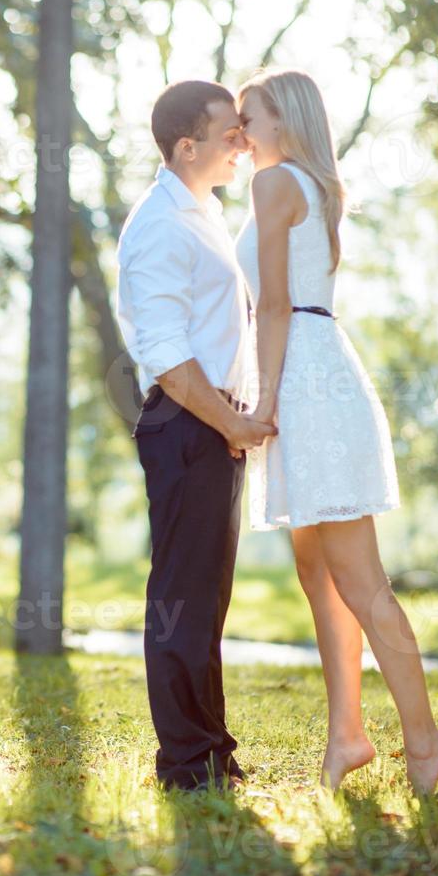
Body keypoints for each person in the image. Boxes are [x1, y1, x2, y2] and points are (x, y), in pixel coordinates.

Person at [233, 67, 438, 793]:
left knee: (359, 580)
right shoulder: (312, 185)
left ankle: (424, 742)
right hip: (312, 370)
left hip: (305, 384)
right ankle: (347, 736)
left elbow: (272, 305)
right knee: (315, 572)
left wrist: (259, 403)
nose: (240, 132)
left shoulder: (275, 184)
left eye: (249, 117)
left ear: (285, 121)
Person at [114, 80, 275, 793]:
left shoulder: (201, 214)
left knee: (208, 601)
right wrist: (231, 421)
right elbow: (168, 358)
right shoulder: (159, 225)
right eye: (228, 134)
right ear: (188, 147)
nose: (241, 144)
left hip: (212, 425)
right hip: (187, 425)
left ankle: (211, 751)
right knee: (181, 598)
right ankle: (184, 765)